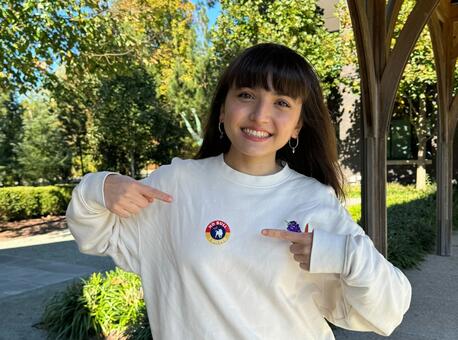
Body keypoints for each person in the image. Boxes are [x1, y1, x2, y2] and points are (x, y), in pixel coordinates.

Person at [66, 43, 411, 340]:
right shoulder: (175, 185)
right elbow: (96, 236)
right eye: (246, 95)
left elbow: (387, 311)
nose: (260, 115)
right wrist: (99, 187)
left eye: (282, 103)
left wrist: (345, 255)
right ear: (223, 108)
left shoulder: (314, 200)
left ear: (298, 126)